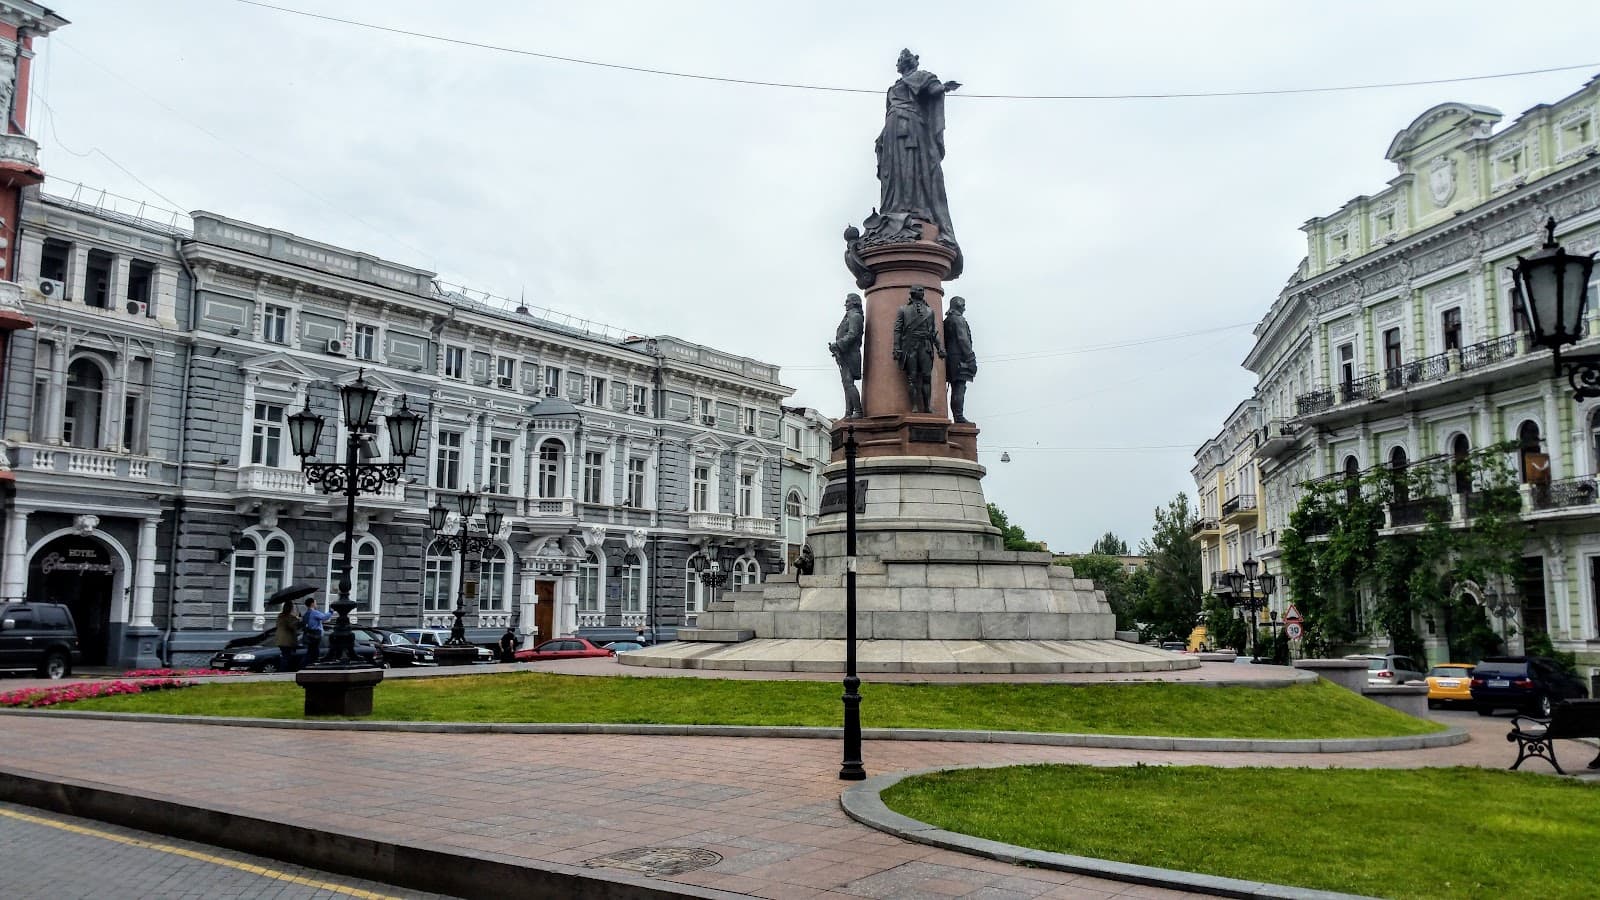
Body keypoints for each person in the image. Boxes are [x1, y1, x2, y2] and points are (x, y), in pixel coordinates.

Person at [876, 49, 960, 245]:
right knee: (894, 172)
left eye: (904, 58)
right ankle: (895, 209)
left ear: (913, 62)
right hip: (892, 130)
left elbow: (933, 90)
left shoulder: (922, 76)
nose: (900, 61)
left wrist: (943, 88)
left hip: (911, 127)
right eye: (899, 59)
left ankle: (916, 209)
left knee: (911, 165)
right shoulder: (893, 87)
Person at [893, 285, 944, 413]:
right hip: (910, 346)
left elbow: (933, 332)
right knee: (912, 377)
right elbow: (898, 330)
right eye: (919, 290)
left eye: (922, 290)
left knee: (927, 376)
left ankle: (927, 407)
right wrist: (897, 347)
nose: (922, 292)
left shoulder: (930, 311)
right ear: (912, 293)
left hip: (925, 346)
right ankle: (914, 406)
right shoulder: (903, 310)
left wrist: (939, 348)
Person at [828, 294, 865, 419]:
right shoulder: (849, 317)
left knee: (849, 383)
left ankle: (858, 411)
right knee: (846, 383)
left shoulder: (855, 316)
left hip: (851, 354)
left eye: (848, 301)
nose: (846, 304)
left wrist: (838, 344)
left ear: (854, 303)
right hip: (845, 354)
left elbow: (853, 334)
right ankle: (848, 412)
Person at [943, 296, 977, 423]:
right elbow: (963, 339)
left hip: (949, 358)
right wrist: (970, 358)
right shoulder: (958, 320)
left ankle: (958, 415)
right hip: (959, 358)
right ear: (957, 306)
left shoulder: (947, 320)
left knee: (955, 387)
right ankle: (959, 416)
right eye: (963, 306)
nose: (964, 308)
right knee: (959, 387)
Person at [301, 596, 331, 667]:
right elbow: (324, 617)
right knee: (314, 652)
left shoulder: (306, 613)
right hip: (315, 635)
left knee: (311, 652)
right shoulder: (314, 612)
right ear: (312, 604)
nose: (316, 604)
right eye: (315, 603)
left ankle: (307, 665)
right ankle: (305, 666)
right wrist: (331, 611)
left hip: (309, 635)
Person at [273, 596, 299, 672]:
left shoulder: (280, 615)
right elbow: (292, 626)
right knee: (287, 656)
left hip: (280, 639)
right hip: (287, 640)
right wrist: (296, 619)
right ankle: (284, 671)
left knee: (285, 655)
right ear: (290, 608)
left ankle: (284, 669)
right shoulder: (289, 617)